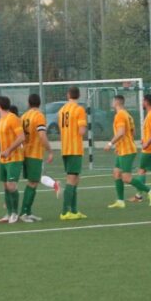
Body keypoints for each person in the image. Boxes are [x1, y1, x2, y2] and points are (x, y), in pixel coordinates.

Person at [105, 95, 151, 208]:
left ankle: (150, 191)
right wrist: (119, 146)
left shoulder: (120, 115)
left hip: (127, 151)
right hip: (124, 149)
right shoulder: (127, 115)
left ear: (116, 102)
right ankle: (120, 201)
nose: (112, 103)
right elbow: (132, 132)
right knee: (116, 173)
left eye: (113, 101)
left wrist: (110, 144)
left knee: (126, 178)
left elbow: (121, 132)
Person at [19, 94, 57, 222]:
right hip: (34, 153)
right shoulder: (39, 116)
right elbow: (42, 136)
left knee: (32, 182)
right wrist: (50, 150)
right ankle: (24, 213)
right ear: (39, 103)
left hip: (25, 152)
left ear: (29, 103)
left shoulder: (24, 116)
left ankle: (28, 212)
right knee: (33, 183)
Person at [58, 87, 88, 220]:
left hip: (65, 148)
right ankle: (65, 212)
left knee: (75, 179)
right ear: (79, 95)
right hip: (74, 148)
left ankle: (74, 211)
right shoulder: (79, 109)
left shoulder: (61, 110)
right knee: (71, 179)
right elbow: (82, 131)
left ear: (68, 95)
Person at [0, 96, 26, 224]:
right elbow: (1, 138)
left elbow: (21, 137)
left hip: (14, 158)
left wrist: (9, 150)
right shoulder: (1, 119)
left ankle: (14, 213)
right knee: (5, 186)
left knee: (11, 185)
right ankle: (8, 213)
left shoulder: (12, 118)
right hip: (3, 159)